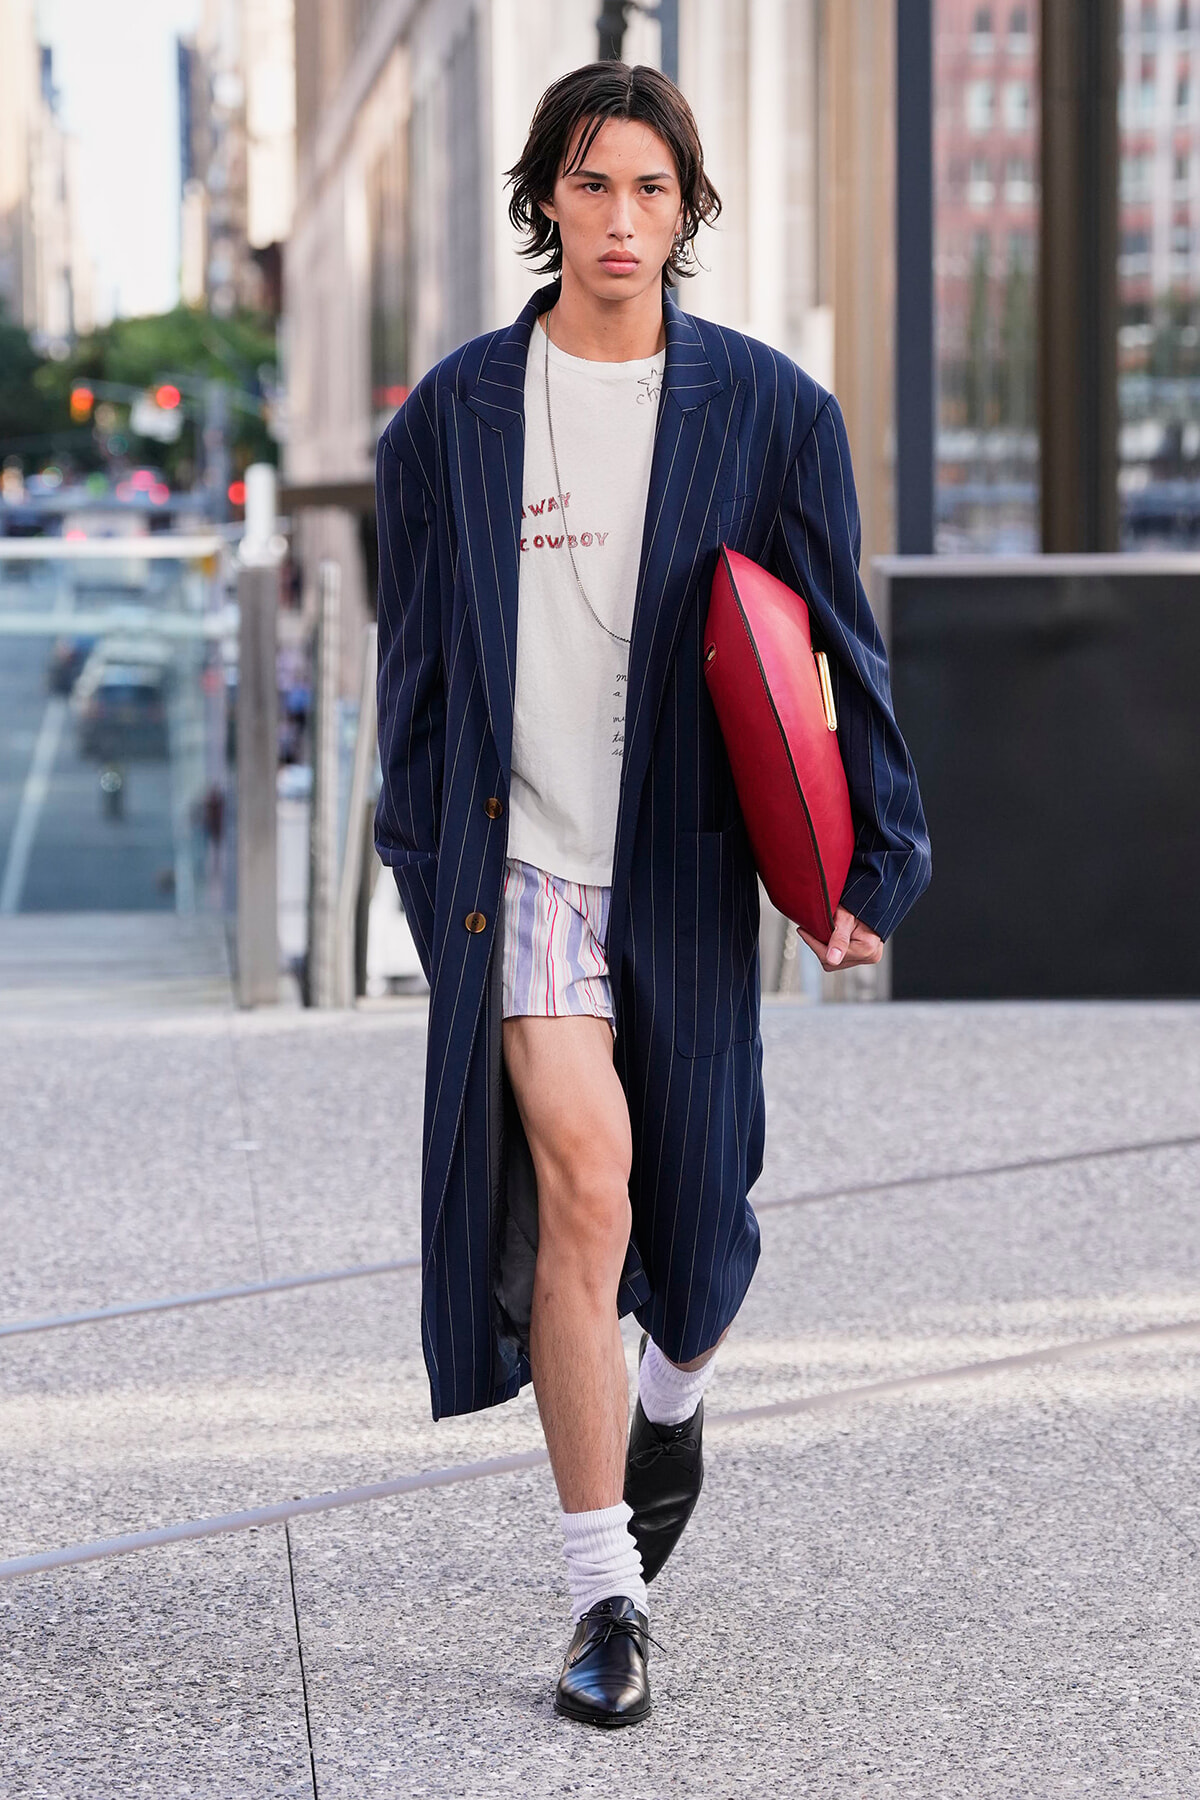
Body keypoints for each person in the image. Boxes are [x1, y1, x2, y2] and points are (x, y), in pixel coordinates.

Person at [375, 61, 931, 1729]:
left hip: (683, 863)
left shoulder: (771, 411)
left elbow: (840, 650)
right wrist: (428, 871)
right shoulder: (452, 419)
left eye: (651, 188)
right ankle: (602, 1594)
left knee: (703, 1227)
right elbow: (414, 682)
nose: (620, 218)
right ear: (543, 197)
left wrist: (874, 862)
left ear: (686, 210)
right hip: (522, 868)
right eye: (590, 183)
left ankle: (673, 1398)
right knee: (587, 1191)